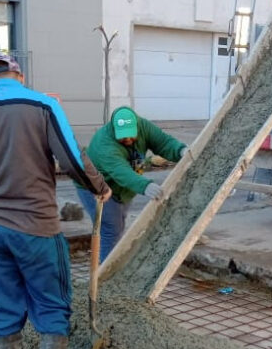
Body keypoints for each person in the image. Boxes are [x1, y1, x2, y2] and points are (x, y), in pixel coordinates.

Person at [0, 54, 110, 349]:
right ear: (19, 76)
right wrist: (99, 187)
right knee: (51, 301)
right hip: (36, 227)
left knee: (4, 302)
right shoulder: (42, 105)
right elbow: (71, 157)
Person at [75, 106, 188, 262]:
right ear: (114, 129)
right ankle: (106, 273)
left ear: (136, 126)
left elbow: (163, 142)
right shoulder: (105, 144)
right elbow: (122, 172)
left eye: (130, 135)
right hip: (94, 186)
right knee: (111, 229)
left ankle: (111, 264)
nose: (127, 140)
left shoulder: (143, 126)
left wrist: (180, 151)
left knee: (118, 224)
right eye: (122, 137)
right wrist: (144, 185)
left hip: (123, 187)